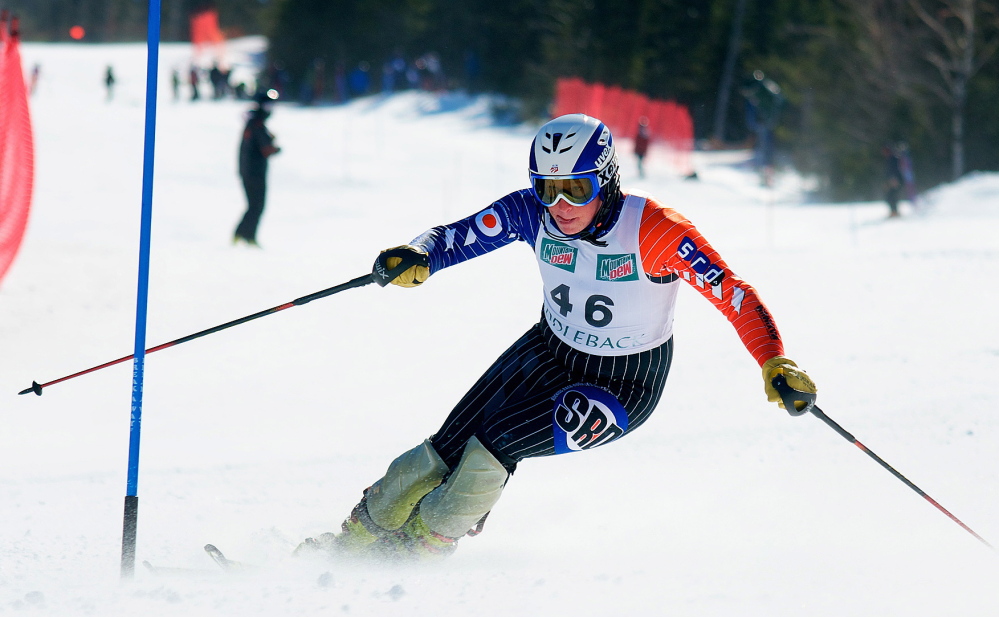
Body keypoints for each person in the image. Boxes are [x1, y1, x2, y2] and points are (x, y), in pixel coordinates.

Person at [295, 114, 816, 562]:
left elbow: (732, 293)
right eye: (548, 188)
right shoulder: (532, 213)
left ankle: (405, 558)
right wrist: (420, 256)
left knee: (496, 442)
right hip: (547, 350)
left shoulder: (654, 230)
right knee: (444, 447)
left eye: (577, 189)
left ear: (606, 181)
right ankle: (353, 544)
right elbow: (460, 235)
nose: (561, 204)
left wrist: (774, 360)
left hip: (621, 385)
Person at [234, 90, 281, 246]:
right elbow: (266, 149)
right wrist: (275, 148)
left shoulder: (253, 123)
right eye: (269, 106)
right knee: (257, 205)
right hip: (254, 173)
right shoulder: (257, 125)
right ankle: (245, 235)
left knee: (254, 205)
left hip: (249, 171)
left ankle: (244, 234)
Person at [882, 144, 904, 218]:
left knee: (892, 196)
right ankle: (893, 211)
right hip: (891, 180)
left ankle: (894, 212)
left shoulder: (893, 159)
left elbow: (895, 170)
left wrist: (895, 180)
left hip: (895, 180)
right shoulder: (890, 159)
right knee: (890, 196)